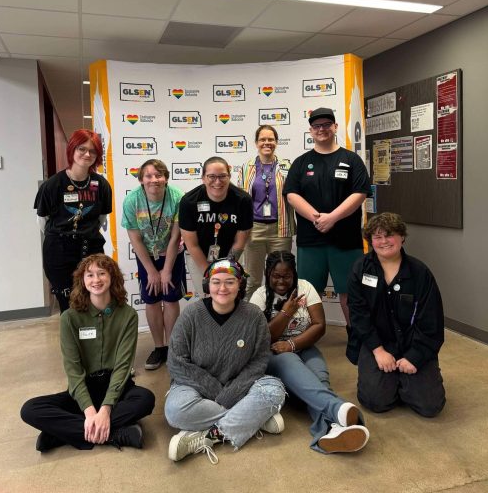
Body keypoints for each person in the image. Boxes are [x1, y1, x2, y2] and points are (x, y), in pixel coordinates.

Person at [20, 254, 155, 452]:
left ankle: (60, 434)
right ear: (82, 280)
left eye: (102, 273)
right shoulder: (69, 318)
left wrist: (106, 409)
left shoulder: (128, 315)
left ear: (113, 278)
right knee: (30, 409)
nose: (96, 280)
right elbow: (73, 371)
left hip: (117, 388)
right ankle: (115, 434)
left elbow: (123, 367)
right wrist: (91, 412)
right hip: (83, 390)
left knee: (146, 399)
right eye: (89, 275)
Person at [165, 258, 285, 464]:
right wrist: (220, 393)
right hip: (194, 388)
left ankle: (207, 438)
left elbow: (259, 360)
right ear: (207, 286)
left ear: (240, 285)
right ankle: (254, 418)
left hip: (241, 386)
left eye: (230, 281)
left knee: (274, 390)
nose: (222, 288)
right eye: (216, 282)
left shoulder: (254, 316)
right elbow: (176, 362)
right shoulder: (191, 315)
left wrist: (232, 392)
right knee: (175, 410)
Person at [250, 251, 369, 454]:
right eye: (275, 276)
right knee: (293, 364)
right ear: (267, 274)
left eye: (286, 276)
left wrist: (293, 344)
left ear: (294, 273)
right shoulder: (259, 296)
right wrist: (286, 313)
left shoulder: (305, 287)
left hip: (303, 346)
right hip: (274, 354)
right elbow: (264, 338)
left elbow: (319, 325)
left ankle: (328, 432)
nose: (281, 281)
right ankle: (338, 409)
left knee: (319, 379)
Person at [347, 213, 446, 417]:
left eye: (389, 235)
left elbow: (431, 320)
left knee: (430, 406)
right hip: (378, 343)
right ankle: (392, 381)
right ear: (370, 241)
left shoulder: (420, 273)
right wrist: (378, 351)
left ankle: (407, 379)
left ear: (402, 237)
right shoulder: (360, 269)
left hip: (413, 343)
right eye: (377, 237)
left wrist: (415, 357)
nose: (383, 241)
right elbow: (358, 315)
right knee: (376, 401)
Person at [283, 107, 371, 325]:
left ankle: (357, 337)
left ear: (335, 127)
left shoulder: (352, 160)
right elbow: (292, 195)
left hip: (346, 241)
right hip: (311, 241)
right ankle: (303, 336)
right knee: (306, 294)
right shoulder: (301, 162)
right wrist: (317, 218)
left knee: (351, 293)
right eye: (316, 126)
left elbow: (360, 194)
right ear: (311, 131)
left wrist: (332, 218)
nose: (321, 129)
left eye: (326, 125)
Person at [34, 129, 112, 313]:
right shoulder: (52, 185)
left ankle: (93, 340)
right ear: (72, 150)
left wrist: (83, 233)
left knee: (94, 300)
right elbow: (42, 222)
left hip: (91, 249)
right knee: (68, 304)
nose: (87, 154)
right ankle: (73, 341)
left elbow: (101, 219)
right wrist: (65, 237)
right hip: (58, 252)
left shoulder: (101, 185)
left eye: (92, 151)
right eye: (82, 149)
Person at [122, 159, 186, 371]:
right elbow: (136, 239)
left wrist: (167, 269)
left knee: (170, 298)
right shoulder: (132, 201)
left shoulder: (177, 197)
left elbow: (176, 235)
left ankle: (174, 348)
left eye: (159, 175)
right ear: (141, 179)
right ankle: (159, 347)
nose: (154, 180)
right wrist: (151, 271)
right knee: (151, 299)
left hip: (172, 252)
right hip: (146, 256)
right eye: (148, 176)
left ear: (166, 178)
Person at [178, 156, 253, 296]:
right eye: (211, 176)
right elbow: (192, 244)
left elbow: (240, 242)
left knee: (230, 298)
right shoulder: (189, 202)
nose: (217, 182)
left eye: (222, 176)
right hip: (198, 256)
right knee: (207, 299)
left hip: (231, 255)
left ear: (229, 176)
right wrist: (210, 272)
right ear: (203, 178)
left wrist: (225, 268)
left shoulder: (243, 200)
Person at [238, 125, 295, 297]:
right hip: (254, 229)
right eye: (263, 139)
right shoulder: (247, 167)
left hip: (280, 229)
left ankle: (280, 316)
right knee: (253, 279)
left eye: (271, 139)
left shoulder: (287, 166)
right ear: (256, 143)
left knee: (280, 277)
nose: (267, 142)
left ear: (276, 142)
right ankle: (250, 319)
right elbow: (240, 198)